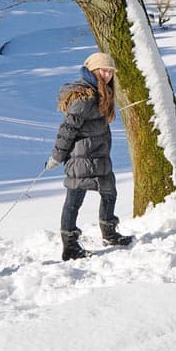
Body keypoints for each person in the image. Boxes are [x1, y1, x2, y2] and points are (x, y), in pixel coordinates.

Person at [46, 51, 132, 260]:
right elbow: (67, 128)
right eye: (103, 70)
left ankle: (109, 233)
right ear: (93, 70)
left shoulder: (101, 94)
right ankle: (70, 247)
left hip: (100, 156)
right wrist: (57, 156)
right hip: (82, 157)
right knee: (74, 200)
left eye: (110, 72)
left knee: (110, 193)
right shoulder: (85, 97)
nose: (107, 75)